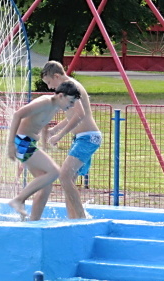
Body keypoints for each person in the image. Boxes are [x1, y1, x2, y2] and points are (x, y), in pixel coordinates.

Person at [7, 80, 81, 221]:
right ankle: (19, 200)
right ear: (61, 96)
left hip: (29, 142)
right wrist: (10, 144)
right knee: (55, 171)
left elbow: (41, 123)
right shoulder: (45, 102)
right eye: (71, 102)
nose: (71, 105)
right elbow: (17, 114)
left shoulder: (55, 106)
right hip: (22, 142)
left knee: (46, 185)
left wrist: (44, 143)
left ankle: (34, 221)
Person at [41, 60, 103, 219]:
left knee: (64, 176)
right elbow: (72, 115)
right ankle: (73, 218)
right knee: (68, 181)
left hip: (88, 138)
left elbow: (80, 115)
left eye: (49, 82)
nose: (50, 87)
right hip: (84, 138)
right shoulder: (70, 86)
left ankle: (81, 218)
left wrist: (60, 135)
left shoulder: (71, 86)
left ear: (56, 76)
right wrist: (54, 130)